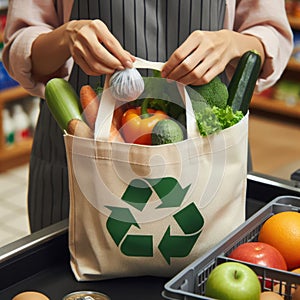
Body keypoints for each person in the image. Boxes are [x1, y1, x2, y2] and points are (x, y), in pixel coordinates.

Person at [3, 0, 293, 232]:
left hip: (207, 155)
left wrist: (234, 43)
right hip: (81, 159)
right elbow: (20, 47)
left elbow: (271, 34)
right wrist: (66, 38)